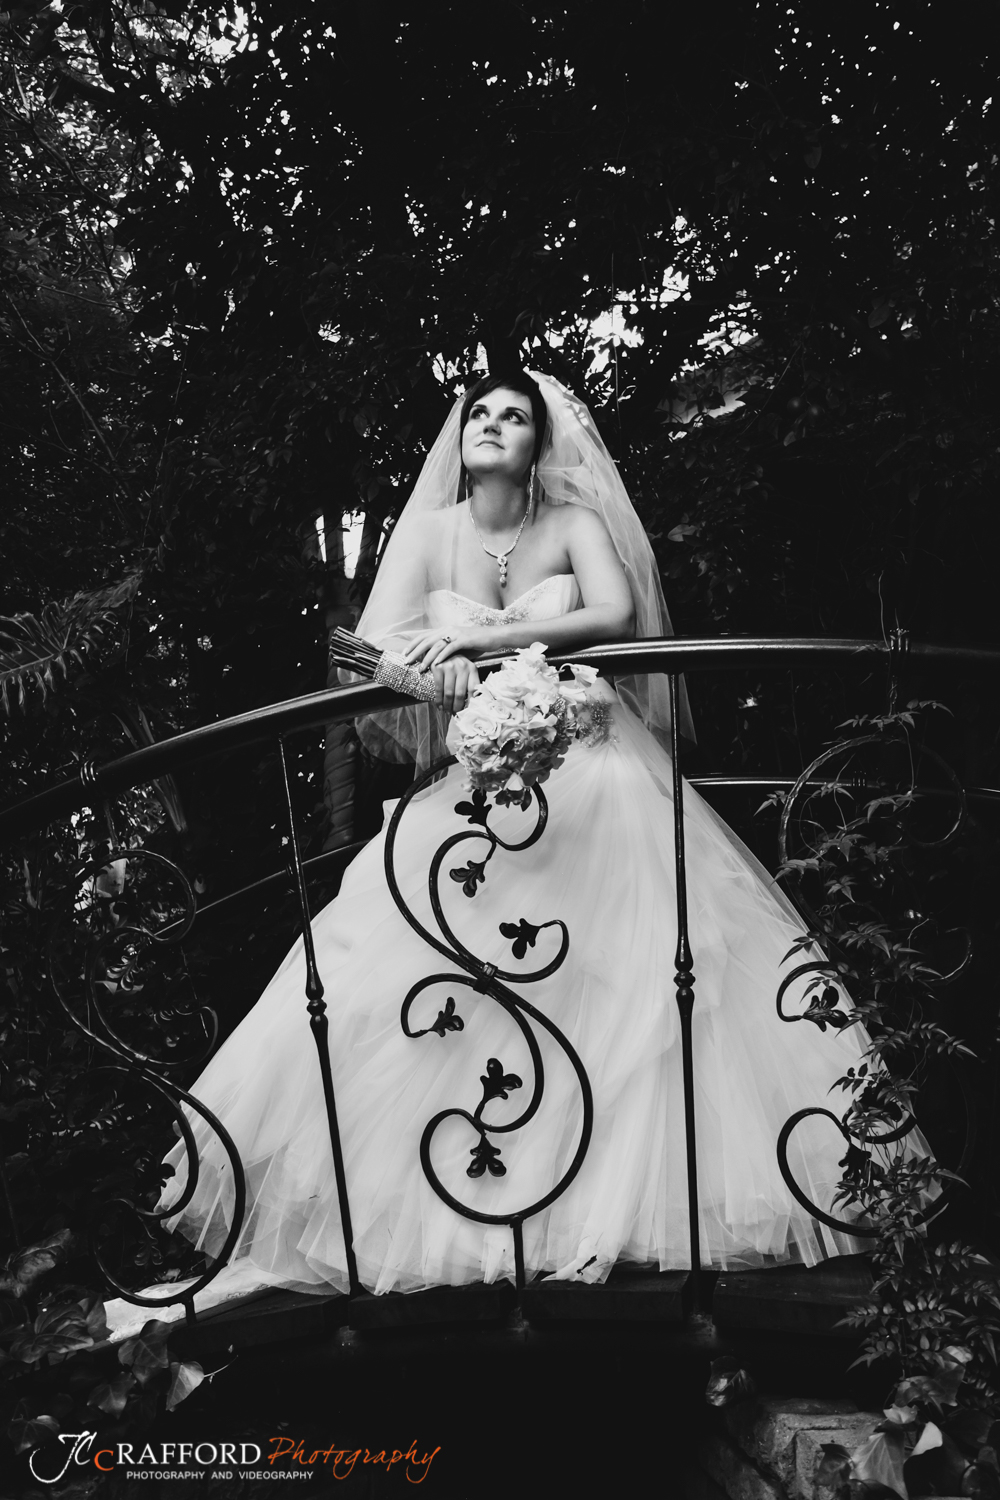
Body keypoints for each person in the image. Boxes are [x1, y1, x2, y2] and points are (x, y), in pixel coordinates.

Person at [113, 370, 919, 1329]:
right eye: (481, 415)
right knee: (426, 947)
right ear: (460, 440)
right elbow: (374, 649)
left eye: (516, 418)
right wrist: (431, 674)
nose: (494, 426)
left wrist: (492, 644)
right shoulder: (429, 533)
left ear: (541, 444)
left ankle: (630, 1203)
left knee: (638, 947)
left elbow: (614, 618)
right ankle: (460, 1205)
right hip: (485, 769)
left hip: (593, 755)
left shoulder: (574, 522)